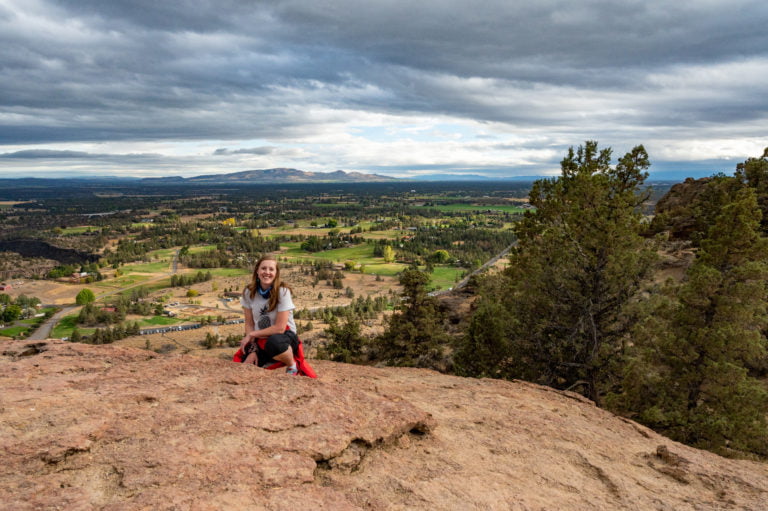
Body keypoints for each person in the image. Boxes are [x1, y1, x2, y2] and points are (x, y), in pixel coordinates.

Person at [239, 255, 300, 374]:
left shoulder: (282, 291)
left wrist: (252, 334)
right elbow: (249, 323)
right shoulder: (248, 292)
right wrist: (253, 350)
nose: (267, 272)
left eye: (271, 269)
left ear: (276, 273)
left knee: (274, 343)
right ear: (257, 271)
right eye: (263, 268)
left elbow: (280, 328)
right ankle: (268, 357)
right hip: (260, 339)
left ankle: (292, 365)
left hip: (284, 337)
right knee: (245, 362)